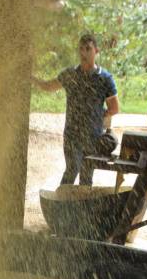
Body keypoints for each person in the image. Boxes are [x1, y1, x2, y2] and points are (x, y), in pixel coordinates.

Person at [33, 33, 119, 186]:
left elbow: (114, 108)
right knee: (72, 169)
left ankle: (81, 209)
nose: (84, 53)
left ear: (96, 51)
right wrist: (31, 78)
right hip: (72, 134)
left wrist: (97, 116)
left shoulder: (105, 78)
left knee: (86, 177)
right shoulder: (70, 75)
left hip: (93, 136)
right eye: (81, 49)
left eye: (88, 49)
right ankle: (61, 206)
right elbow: (48, 86)